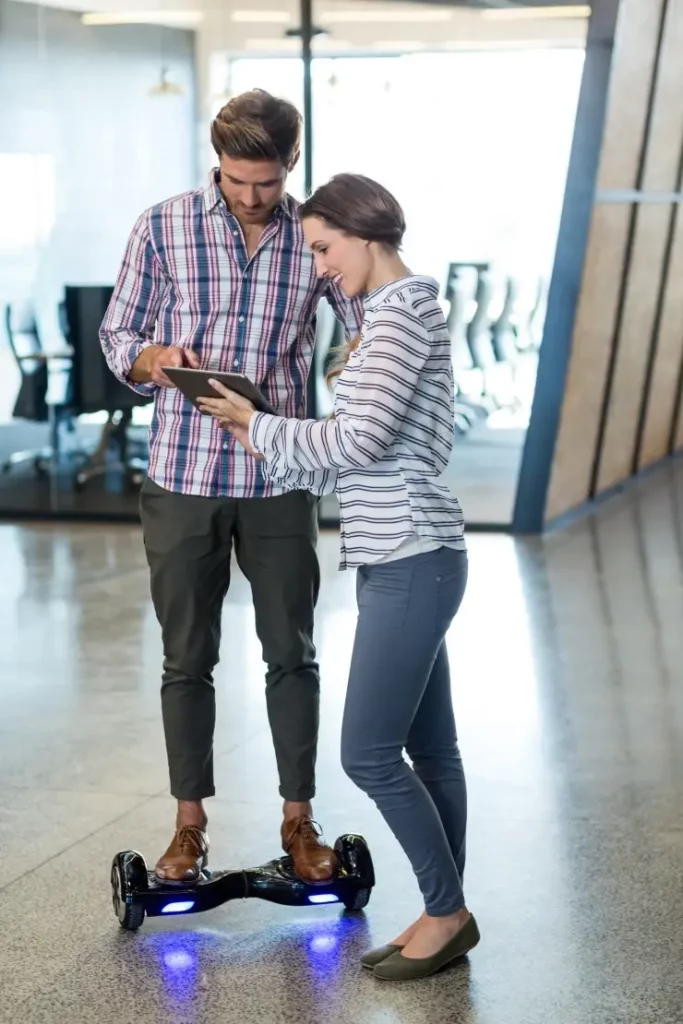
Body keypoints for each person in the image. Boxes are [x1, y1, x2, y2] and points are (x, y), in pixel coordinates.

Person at [197, 173, 480, 982]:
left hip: (411, 560)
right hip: (403, 554)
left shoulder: (397, 317)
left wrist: (260, 423)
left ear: (366, 235)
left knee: (368, 754)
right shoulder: (390, 316)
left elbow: (354, 443)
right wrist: (265, 432)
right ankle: (441, 909)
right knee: (431, 748)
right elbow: (353, 458)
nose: (317, 264)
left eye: (323, 247)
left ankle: (447, 912)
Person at [100, 90, 364, 885]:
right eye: (236, 180)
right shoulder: (162, 225)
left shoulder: (314, 236)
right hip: (182, 473)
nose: (250, 198)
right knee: (188, 658)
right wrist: (151, 360)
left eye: (266, 182)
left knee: (292, 654)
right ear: (217, 161)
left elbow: (356, 329)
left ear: (291, 161)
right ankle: (187, 828)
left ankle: (299, 821)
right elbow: (119, 332)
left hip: (281, 474)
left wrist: (350, 370)